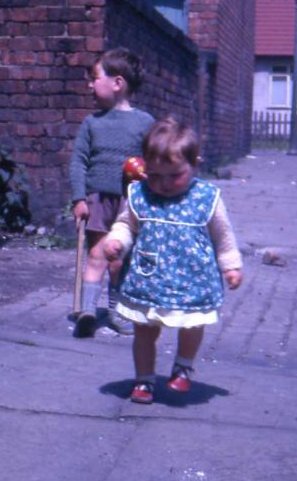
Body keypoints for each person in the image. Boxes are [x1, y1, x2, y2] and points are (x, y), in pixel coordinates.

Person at [103, 117, 243, 404]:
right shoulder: (140, 195)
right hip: (148, 278)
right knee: (143, 330)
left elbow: (223, 236)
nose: (164, 184)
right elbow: (127, 224)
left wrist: (230, 266)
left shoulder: (207, 198)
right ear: (145, 167)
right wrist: (117, 241)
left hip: (192, 280)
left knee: (191, 324)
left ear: (195, 164)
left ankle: (183, 366)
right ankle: (144, 380)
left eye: (174, 175)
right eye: (155, 175)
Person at [70, 48, 155, 337]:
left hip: (129, 204)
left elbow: (155, 156)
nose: (90, 85)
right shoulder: (91, 123)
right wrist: (79, 198)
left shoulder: (144, 122)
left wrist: (151, 172)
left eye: (95, 78)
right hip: (97, 200)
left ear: (117, 83)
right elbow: (78, 162)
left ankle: (118, 312)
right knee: (96, 255)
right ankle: (88, 311)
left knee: (119, 260)